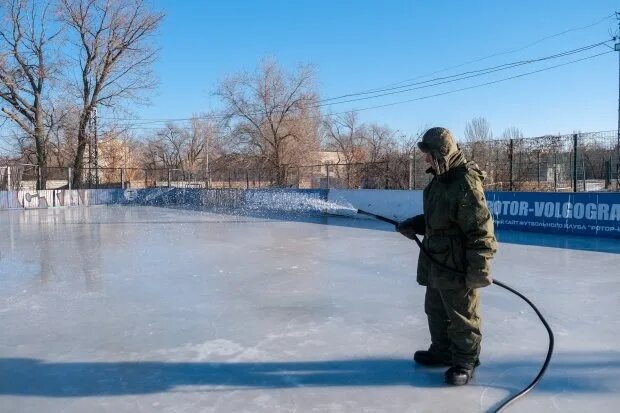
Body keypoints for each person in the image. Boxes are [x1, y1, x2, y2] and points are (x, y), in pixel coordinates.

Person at [398, 127, 497, 386]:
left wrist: (479, 268)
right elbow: (439, 219)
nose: (425, 159)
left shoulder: (464, 182)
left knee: (462, 315)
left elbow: (481, 230)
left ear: (442, 153)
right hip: (437, 259)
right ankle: (442, 351)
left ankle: (465, 360)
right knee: (435, 309)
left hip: (457, 265)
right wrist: (415, 225)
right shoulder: (440, 179)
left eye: (428, 154)